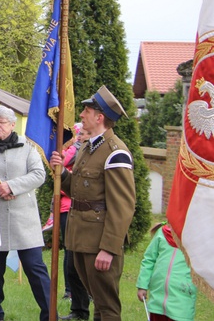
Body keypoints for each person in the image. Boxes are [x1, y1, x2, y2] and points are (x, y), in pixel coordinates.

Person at [50, 85, 136, 321]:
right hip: (81, 238)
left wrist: (108, 248)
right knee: (97, 301)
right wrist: (63, 174)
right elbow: (80, 190)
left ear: (99, 117)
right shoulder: (88, 147)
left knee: (107, 307)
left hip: (99, 241)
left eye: (86, 111)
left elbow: (123, 206)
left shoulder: (115, 152)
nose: (81, 115)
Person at [0, 105, 51, 321]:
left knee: (35, 269)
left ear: (12, 125)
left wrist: (12, 186)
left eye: (2, 122)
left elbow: (39, 175)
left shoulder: (27, 147)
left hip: (24, 221)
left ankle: (50, 315)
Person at [57, 124, 91, 321]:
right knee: (71, 260)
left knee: (82, 261)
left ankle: (88, 301)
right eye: (80, 134)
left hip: (85, 213)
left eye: (85, 134)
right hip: (68, 210)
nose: (81, 138)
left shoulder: (96, 155)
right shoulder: (76, 151)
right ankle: (79, 310)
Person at [136, 223, 197, 321]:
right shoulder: (162, 232)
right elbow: (149, 259)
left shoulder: (197, 237)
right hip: (157, 300)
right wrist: (142, 285)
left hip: (182, 299)